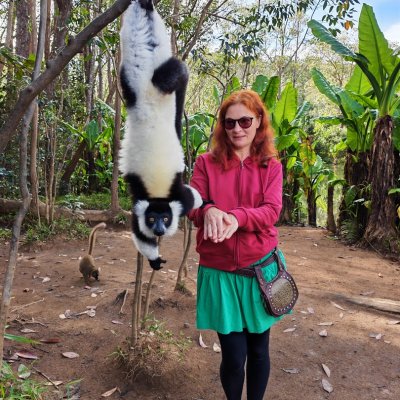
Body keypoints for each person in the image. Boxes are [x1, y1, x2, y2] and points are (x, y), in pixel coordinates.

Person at [188, 89, 288, 400]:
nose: (237, 129)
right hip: (220, 274)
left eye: (245, 121)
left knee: (258, 350)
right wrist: (208, 209)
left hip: (260, 272)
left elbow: (271, 211)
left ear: (258, 121)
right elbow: (193, 204)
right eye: (229, 123)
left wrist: (237, 217)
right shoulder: (205, 163)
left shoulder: (271, 166)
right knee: (233, 357)